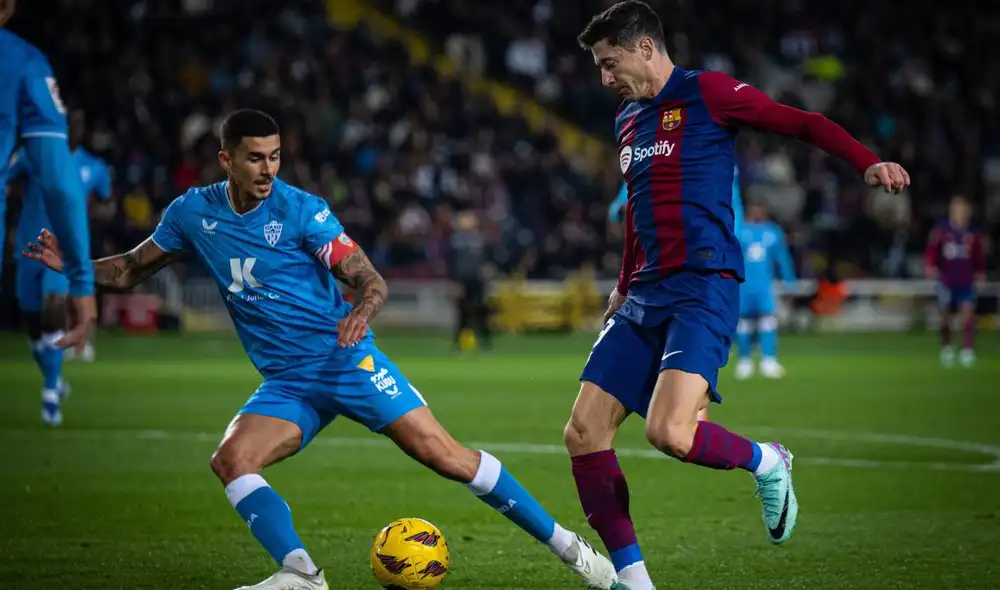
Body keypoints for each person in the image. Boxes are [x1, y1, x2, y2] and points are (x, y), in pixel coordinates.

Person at [26, 109, 618, 590]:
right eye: (255, 158)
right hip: (285, 382)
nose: (267, 169)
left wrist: (361, 311)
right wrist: (74, 266)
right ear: (225, 160)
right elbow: (130, 271)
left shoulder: (303, 210)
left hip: (346, 361)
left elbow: (371, 280)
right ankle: (302, 575)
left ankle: (570, 549)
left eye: (275, 156)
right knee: (231, 461)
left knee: (447, 457)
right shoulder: (191, 214)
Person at [566, 3, 910, 590]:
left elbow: (801, 122)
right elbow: (637, 217)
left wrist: (866, 161)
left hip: (704, 284)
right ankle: (635, 581)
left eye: (609, 62)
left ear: (645, 47)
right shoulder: (627, 118)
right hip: (646, 292)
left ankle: (767, 461)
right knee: (582, 433)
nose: (605, 78)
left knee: (669, 433)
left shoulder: (709, 93)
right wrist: (623, 284)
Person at [7, 108, 112, 425]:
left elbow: (105, 202)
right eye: (69, 125)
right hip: (28, 247)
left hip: (63, 253)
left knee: (54, 307)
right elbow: (6, 178)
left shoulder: (94, 167)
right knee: (33, 326)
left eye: (79, 125)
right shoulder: (31, 155)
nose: (74, 130)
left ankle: (50, 395)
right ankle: (55, 378)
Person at [0, 0, 95, 350]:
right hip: (38, 242)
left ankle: (51, 394)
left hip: (48, 243)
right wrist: (83, 283)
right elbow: (60, 187)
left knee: (49, 312)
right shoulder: (24, 61)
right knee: (37, 310)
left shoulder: (93, 166)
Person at [734, 201, 796, 380]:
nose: (756, 211)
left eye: (759, 208)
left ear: (764, 210)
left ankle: (768, 360)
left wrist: (788, 281)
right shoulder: (739, 230)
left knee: (767, 321)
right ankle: (744, 361)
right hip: (743, 285)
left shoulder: (773, 232)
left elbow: (782, 258)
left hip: (764, 285)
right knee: (743, 323)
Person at [924, 195, 985, 368]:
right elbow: (932, 251)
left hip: (966, 280)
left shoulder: (972, 233)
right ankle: (947, 347)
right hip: (946, 280)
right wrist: (930, 265)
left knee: (968, 313)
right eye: (956, 207)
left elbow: (979, 256)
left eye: (962, 208)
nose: (959, 211)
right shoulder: (942, 231)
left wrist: (980, 272)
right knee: (945, 316)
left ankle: (967, 349)